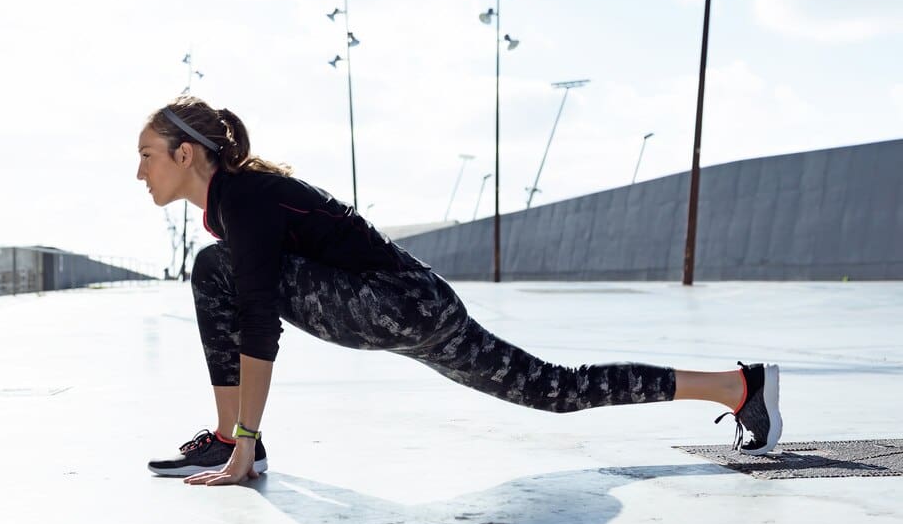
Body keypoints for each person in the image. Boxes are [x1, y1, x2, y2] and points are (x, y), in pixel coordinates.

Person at [139, 96, 782, 486]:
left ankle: (235, 439)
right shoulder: (235, 204)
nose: (139, 170)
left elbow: (258, 319)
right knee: (553, 388)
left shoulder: (243, 200)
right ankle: (736, 385)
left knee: (215, 269)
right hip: (421, 307)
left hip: (397, 305)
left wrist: (248, 439)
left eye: (148, 154)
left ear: (187, 155)